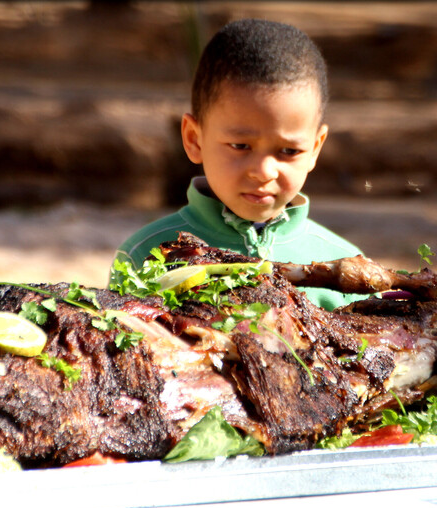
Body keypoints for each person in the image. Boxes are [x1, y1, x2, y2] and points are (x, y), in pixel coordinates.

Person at [113, 18, 366, 310]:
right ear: (194, 139)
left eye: (289, 150)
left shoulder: (347, 271)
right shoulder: (144, 255)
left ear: (315, 149)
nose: (263, 171)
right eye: (240, 146)